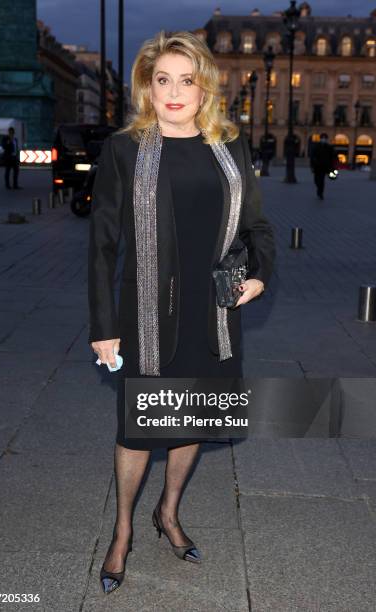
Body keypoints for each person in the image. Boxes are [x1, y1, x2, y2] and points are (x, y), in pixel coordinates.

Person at [88, 30, 276, 595]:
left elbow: (258, 227)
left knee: (191, 419)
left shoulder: (231, 146)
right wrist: (104, 327)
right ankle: (121, 531)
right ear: (148, 86)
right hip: (145, 314)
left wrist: (260, 273)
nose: (173, 91)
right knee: (141, 430)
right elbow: (101, 243)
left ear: (204, 88)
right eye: (161, 79)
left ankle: (168, 514)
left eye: (185, 80)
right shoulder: (125, 149)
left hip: (213, 311)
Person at [309, 132, 338, 200]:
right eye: (323, 138)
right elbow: (312, 157)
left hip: (325, 167)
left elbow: (332, 157)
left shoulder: (329, 147)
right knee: (316, 180)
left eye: (325, 138)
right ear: (320, 139)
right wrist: (312, 166)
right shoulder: (316, 146)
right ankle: (319, 189)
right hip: (317, 166)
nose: (324, 139)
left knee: (322, 180)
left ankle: (320, 193)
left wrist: (332, 167)